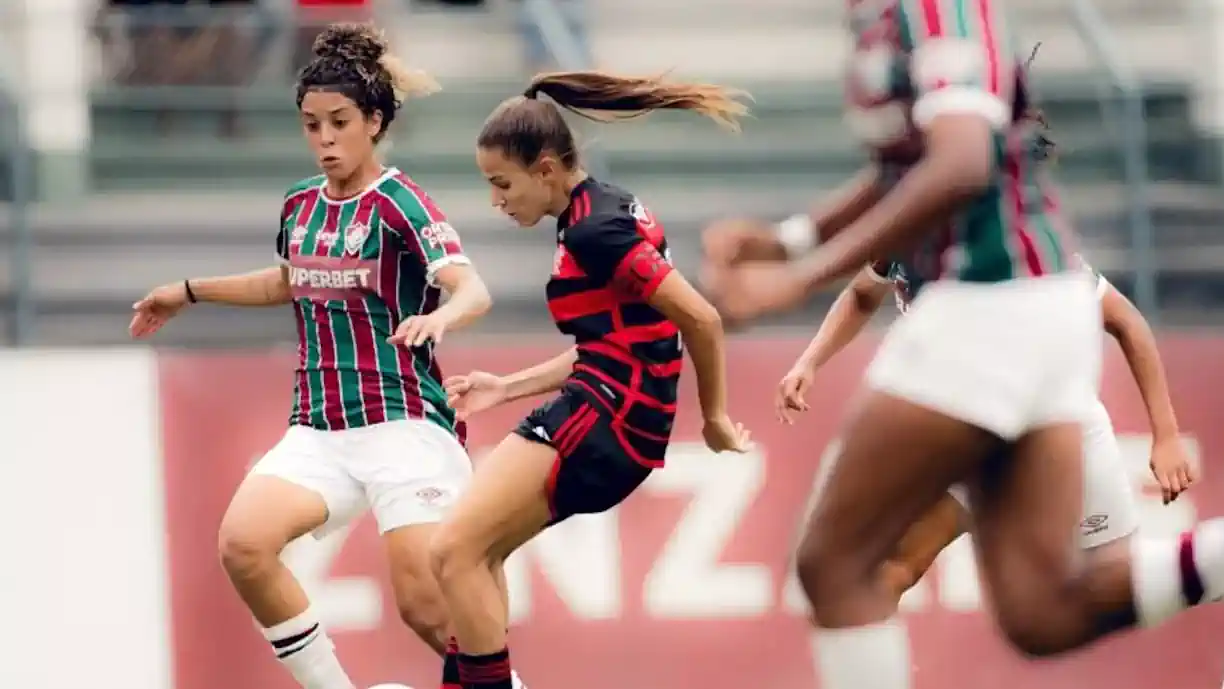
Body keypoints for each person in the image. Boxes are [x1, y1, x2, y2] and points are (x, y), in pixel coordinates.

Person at [697, 1, 1224, 685]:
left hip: (995, 300)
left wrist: (796, 279)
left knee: (837, 562)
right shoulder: (885, 15)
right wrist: (789, 238)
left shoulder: (937, 8)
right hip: (1015, 310)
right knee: (1042, 612)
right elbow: (910, 170)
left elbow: (962, 163)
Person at [129, 23, 510, 689]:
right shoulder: (300, 204)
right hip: (320, 429)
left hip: (403, 423)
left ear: (374, 121)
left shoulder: (401, 204)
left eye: (339, 122)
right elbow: (288, 280)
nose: (325, 139)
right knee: (244, 544)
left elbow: (471, 286)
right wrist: (189, 291)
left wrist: (442, 314)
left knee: (426, 608)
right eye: (312, 125)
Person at [428, 71, 753, 689]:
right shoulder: (599, 207)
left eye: (502, 184)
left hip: (607, 425)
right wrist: (507, 387)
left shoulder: (594, 231)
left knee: (452, 553)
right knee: (476, 555)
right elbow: (613, 344)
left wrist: (712, 419)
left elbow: (702, 320)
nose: (496, 201)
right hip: (607, 415)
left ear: (545, 169)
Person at [779, 257, 1194, 600]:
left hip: (1050, 435)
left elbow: (1124, 320)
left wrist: (1168, 435)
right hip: (967, 432)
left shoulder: (1022, 245)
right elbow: (860, 293)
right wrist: (809, 361)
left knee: (1114, 589)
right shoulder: (905, 231)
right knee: (893, 569)